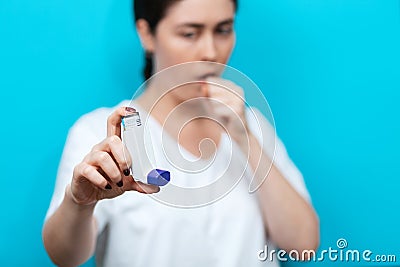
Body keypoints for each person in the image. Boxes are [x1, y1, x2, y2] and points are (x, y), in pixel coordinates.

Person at [42, 0, 320, 266]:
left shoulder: (251, 124)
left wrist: (244, 136)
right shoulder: (102, 133)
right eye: (189, 33)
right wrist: (79, 203)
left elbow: (304, 246)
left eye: (223, 30)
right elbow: (65, 256)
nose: (211, 52)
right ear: (147, 34)